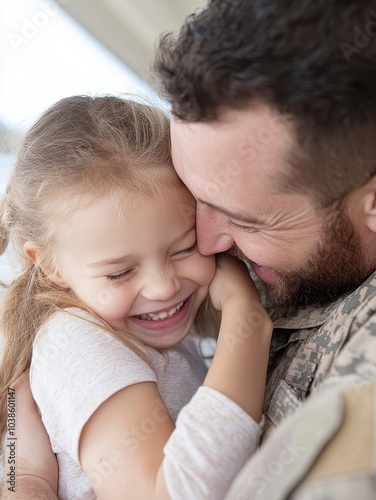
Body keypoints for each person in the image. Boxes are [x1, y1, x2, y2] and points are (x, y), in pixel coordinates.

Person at [4, 0, 376, 497]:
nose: (209, 242)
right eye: (197, 201)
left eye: (245, 218)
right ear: (48, 264)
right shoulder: (84, 340)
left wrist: (22, 477)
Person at [0, 95, 273, 499]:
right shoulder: (77, 343)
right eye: (120, 272)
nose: (163, 287)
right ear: (51, 266)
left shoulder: (124, 329)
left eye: (183, 248)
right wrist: (245, 320)